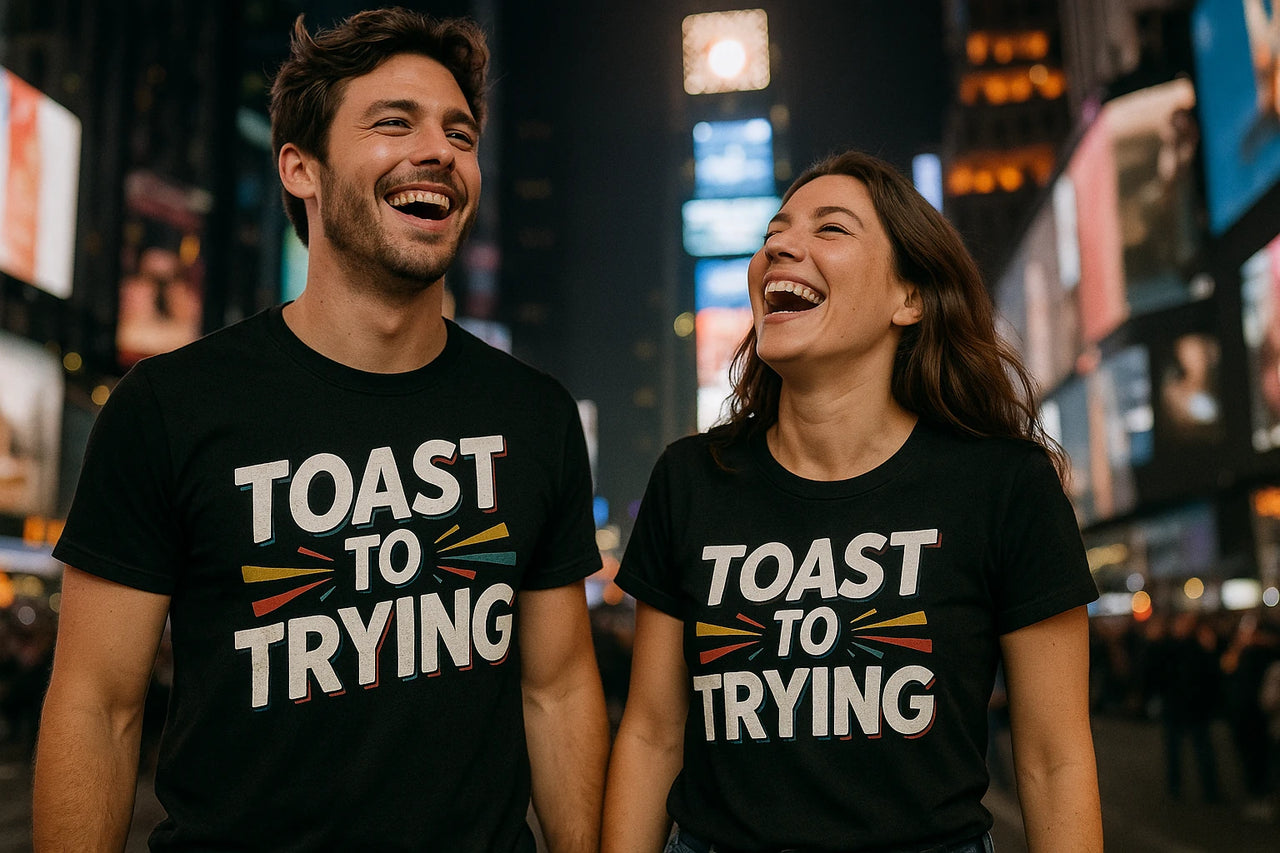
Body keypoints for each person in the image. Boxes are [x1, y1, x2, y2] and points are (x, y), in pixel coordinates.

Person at [33, 8, 609, 852]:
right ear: (301, 170)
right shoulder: (169, 405)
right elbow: (98, 704)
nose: (440, 151)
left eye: (460, 131)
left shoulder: (535, 416)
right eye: (393, 122)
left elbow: (557, 692)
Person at [604, 150, 1102, 853]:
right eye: (774, 231)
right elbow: (653, 732)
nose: (779, 245)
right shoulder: (691, 477)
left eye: (830, 229)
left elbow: (1054, 759)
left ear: (911, 298)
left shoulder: (1005, 485)